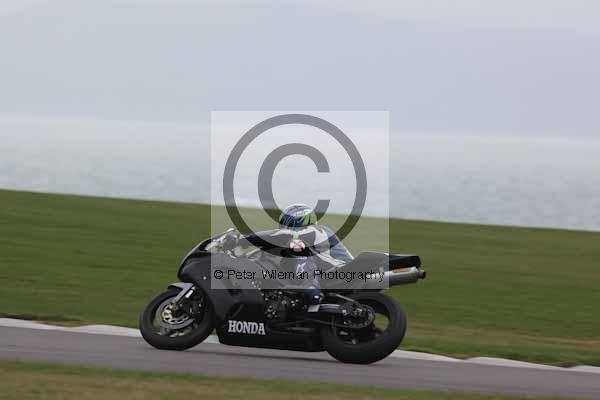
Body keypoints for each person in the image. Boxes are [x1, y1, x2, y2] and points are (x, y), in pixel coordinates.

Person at [238, 204, 353, 305]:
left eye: (285, 223)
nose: (283, 226)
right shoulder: (313, 237)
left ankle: (310, 286)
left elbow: (286, 234)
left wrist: (243, 239)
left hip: (340, 272)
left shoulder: (317, 230)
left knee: (296, 245)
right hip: (332, 275)